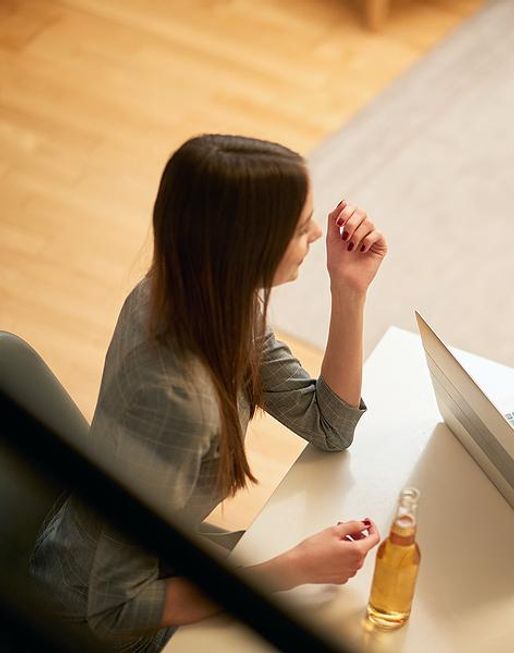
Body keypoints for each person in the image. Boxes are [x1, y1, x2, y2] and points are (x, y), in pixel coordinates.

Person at [31, 134, 386, 651]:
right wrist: (291, 569)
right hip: (98, 624)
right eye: (298, 226)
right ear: (247, 247)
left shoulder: (209, 296)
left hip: (156, 556)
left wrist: (348, 289)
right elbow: (114, 609)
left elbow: (329, 425)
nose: (315, 233)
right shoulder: (178, 401)